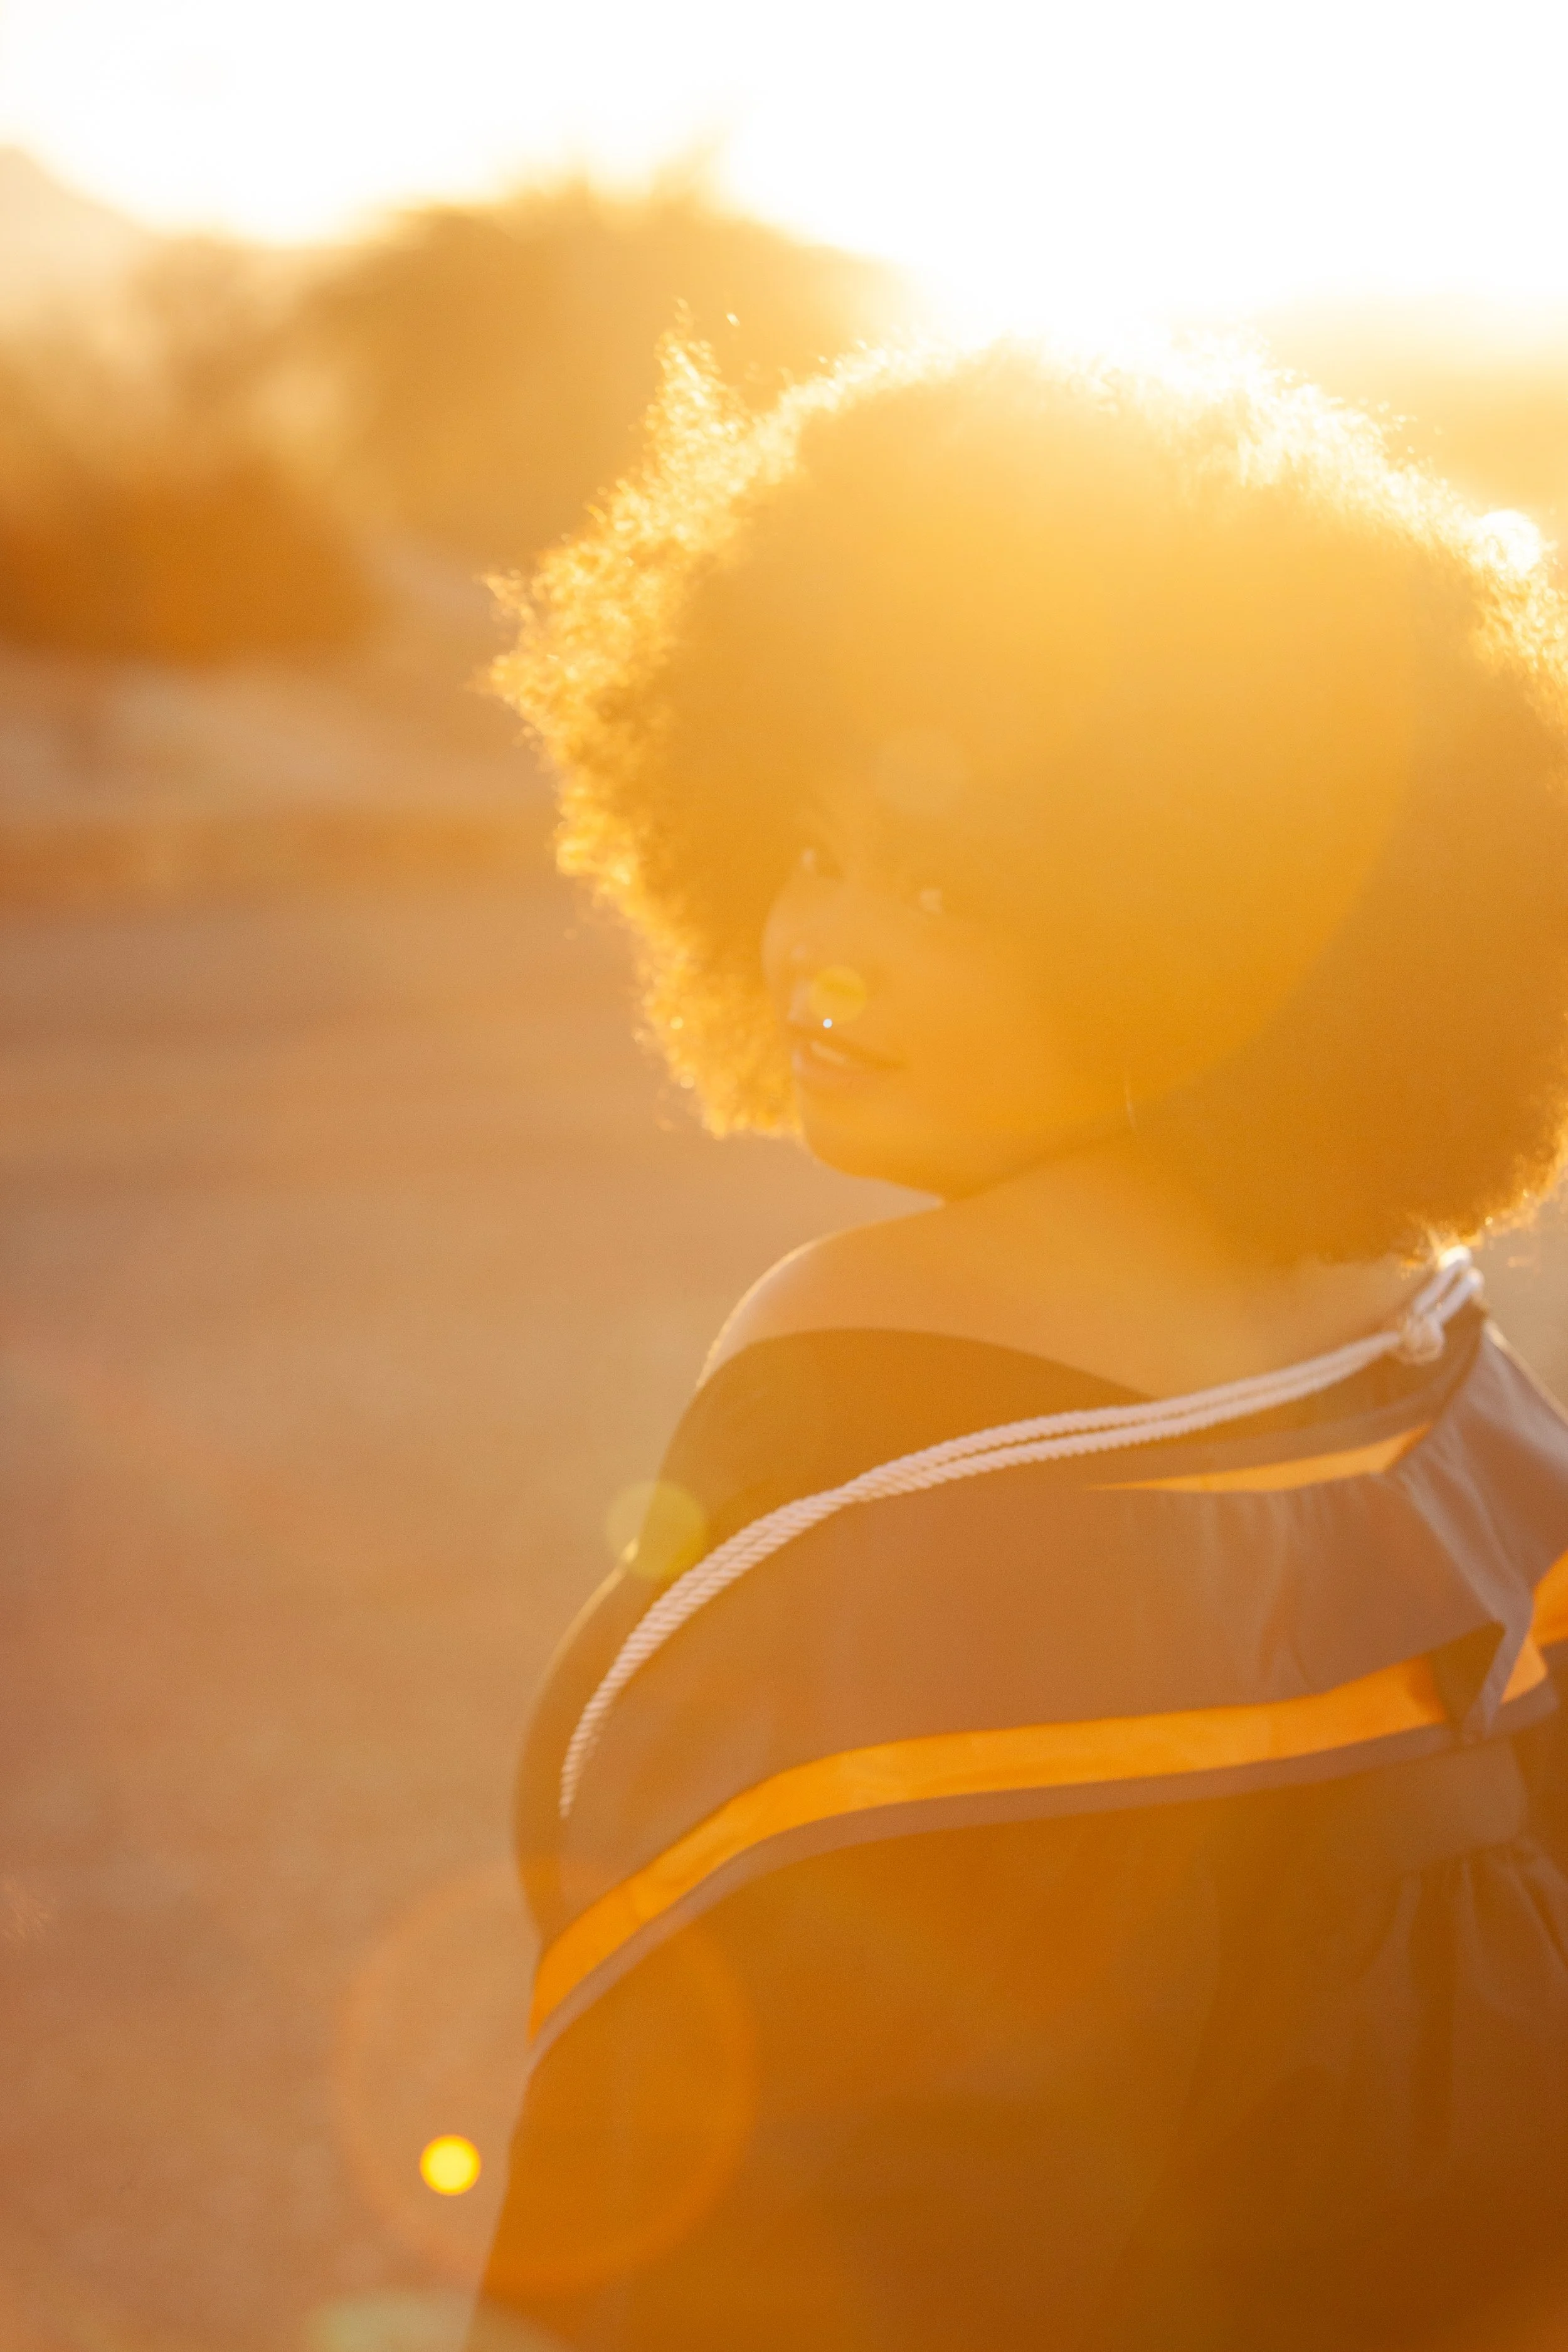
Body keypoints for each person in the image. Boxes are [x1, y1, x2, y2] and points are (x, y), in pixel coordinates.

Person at [472, 341, 1568, 2351]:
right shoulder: (1440, 1360)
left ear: (1208, 916)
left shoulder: (870, 1362)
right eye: (808, 840)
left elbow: (742, 2147)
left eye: (950, 883)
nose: (822, 944)